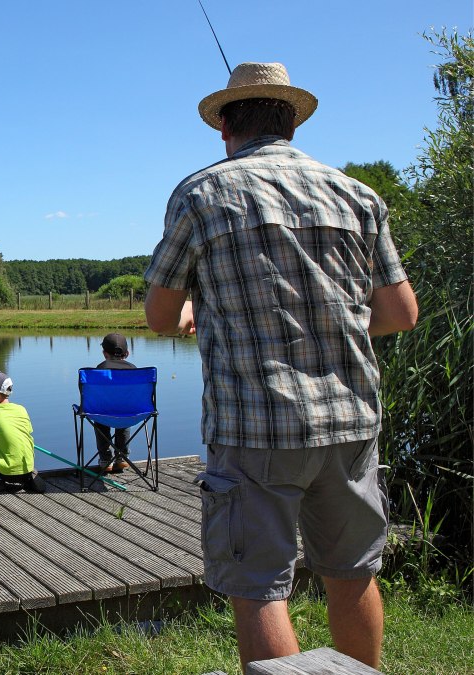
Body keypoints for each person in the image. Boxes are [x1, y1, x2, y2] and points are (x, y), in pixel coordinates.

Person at [143, 63, 418, 670]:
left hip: (254, 428)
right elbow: (400, 312)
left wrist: (201, 307)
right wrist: (333, 324)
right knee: (352, 572)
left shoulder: (200, 194)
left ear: (224, 127)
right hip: (351, 422)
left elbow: (160, 317)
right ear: (291, 122)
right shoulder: (358, 195)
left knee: (259, 586)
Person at [91, 332, 135, 473]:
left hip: (103, 415)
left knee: (100, 418)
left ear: (105, 353)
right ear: (127, 353)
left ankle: (105, 459)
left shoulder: (99, 370)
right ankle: (122, 457)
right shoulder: (135, 371)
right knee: (125, 415)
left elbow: (89, 395)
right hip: (129, 415)